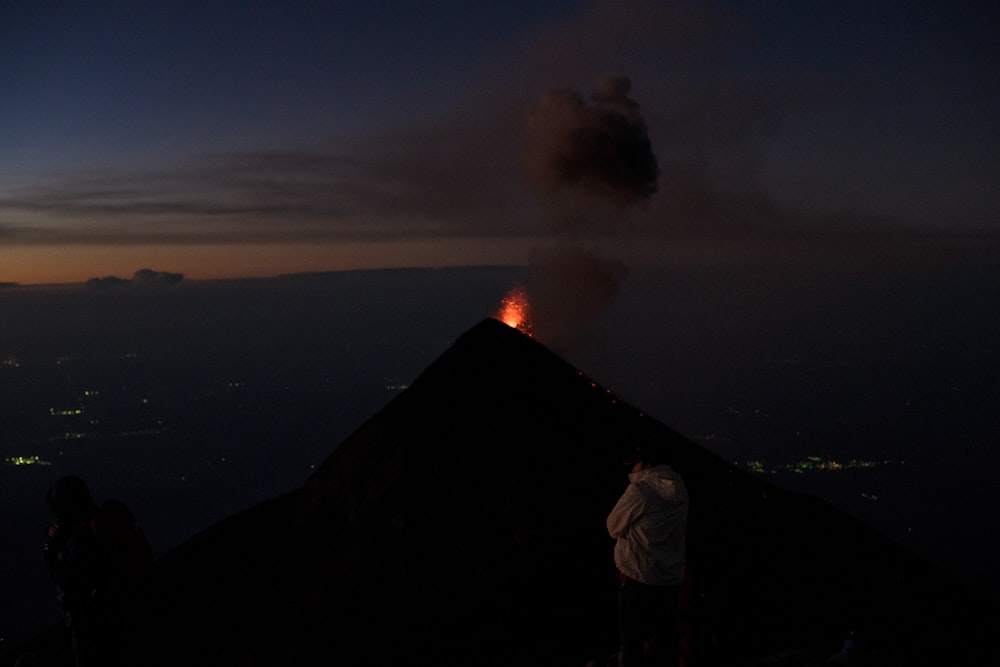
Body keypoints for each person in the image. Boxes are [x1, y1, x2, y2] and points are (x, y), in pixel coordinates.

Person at [43, 475, 152, 667]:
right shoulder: (103, 521)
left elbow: (70, 581)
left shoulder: (83, 539)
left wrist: (51, 552)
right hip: (126, 612)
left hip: (92, 623)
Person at [607, 441, 689, 667]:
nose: (632, 470)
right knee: (664, 643)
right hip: (668, 582)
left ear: (646, 464)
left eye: (634, 464)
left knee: (632, 644)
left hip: (637, 582)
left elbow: (612, 526)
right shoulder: (679, 487)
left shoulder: (641, 490)